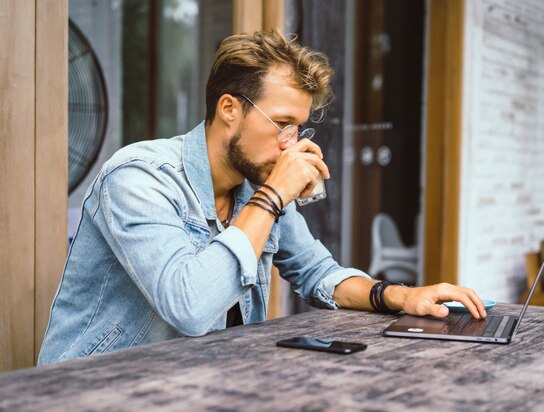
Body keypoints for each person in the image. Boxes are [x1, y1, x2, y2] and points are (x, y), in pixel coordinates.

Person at [38, 30, 485, 365]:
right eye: (282, 124)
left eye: (300, 128)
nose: (291, 143)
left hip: (195, 383)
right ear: (229, 109)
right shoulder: (138, 178)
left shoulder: (254, 186)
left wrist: (402, 297)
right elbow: (189, 305)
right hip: (95, 389)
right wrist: (273, 195)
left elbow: (318, 273)